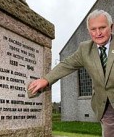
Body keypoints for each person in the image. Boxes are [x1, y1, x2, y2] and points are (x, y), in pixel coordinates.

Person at [28, 9, 114, 137]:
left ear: (111, 27)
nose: (98, 33)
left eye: (102, 28)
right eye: (93, 29)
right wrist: (46, 79)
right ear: (89, 30)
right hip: (106, 105)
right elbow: (66, 64)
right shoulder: (85, 49)